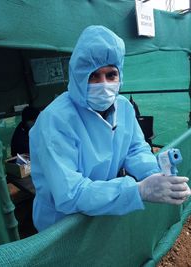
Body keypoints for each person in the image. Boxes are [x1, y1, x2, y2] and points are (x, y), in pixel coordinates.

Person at [29, 25, 191, 232]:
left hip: (103, 206)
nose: (103, 84)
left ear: (120, 75)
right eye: (93, 75)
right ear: (78, 75)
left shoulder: (123, 106)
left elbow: (135, 149)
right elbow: (70, 194)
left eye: (111, 75)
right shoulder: (55, 120)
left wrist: (156, 175)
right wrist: (138, 191)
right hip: (61, 224)